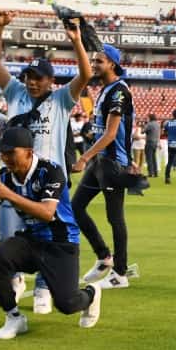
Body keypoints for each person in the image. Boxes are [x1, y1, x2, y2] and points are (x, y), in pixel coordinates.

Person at [0, 9, 92, 314]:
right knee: (9, 232)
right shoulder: (15, 92)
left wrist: (76, 41)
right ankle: (16, 277)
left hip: (49, 180)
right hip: (16, 175)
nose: (32, 83)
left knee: (49, 234)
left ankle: (45, 287)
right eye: (29, 78)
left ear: (50, 80)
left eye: (38, 78)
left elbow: (85, 75)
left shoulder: (61, 99)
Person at [0, 127, 103, 339]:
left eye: (11, 153)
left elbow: (47, 213)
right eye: (3, 153)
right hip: (32, 240)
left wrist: (9, 195)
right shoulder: (4, 177)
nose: (5, 158)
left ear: (29, 152)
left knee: (67, 304)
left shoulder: (51, 171)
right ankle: (13, 318)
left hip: (61, 244)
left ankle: (91, 294)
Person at [73, 44, 142, 290]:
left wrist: (83, 158)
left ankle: (120, 274)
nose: (93, 64)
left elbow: (111, 134)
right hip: (101, 162)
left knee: (115, 218)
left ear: (112, 64)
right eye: (93, 60)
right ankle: (104, 257)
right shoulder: (105, 90)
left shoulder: (119, 92)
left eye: (98, 61)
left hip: (111, 164)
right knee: (76, 207)